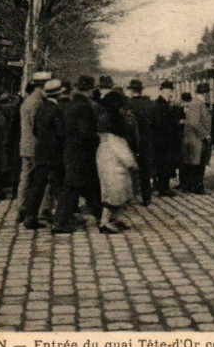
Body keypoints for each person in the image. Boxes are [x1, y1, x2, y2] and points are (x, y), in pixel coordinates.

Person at [57, 75, 102, 233]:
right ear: (89, 90)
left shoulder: (69, 105)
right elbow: (85, 132)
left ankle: (102, 218)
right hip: (81, 153)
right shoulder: (84, 106)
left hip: (70, 150)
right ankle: (60, 223)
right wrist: (96, 139)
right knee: (75, 187)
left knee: (82, 187)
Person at [20, 79, 66, 231]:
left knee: (37, 186)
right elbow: (61, 132)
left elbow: (34, 131)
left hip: (41, 153)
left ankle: (30, 217)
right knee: (60, 185)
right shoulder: (56, 110)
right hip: (54, 154)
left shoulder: (41, 109)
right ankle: (60, 220)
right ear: (58, 94)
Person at [96, 77, 138, 234]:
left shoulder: (104, 127)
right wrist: (132, 163)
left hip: (110, 161)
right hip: (113, 164)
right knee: (114, 192)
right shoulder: (114, 133)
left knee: (121, 191)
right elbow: (121, 149)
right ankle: (104, 222)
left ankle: (117, 217)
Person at [16, 71, 53, 224]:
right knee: (43, 179)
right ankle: (44, 209)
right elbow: (37, 128)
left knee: (26, 178)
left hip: (26, 145)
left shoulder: (28, 101)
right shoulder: (37, 103)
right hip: (36, 147)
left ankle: (22, 208)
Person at [127, 79, 155, 206]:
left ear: (131, 91)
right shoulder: (149, 104)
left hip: (132, 141)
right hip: (148, 140)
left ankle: (130, 196)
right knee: (145, 170)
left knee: (130, 169)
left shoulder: (128, 104)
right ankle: (146, 197)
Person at [182, 83, 212, 194]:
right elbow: (194, 122)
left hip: (196, 139)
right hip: (197, 139)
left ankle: (192, 186)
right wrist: (205, 134)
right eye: (208, 92)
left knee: (196, 164)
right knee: (197, 164)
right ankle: (197, 187)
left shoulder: (198, 103)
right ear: (204, 93)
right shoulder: (196, 103)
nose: (208, 95)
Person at [152, 81, 179, 197]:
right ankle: (164, 188)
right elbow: (161, 123)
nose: (171, 93)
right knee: (164, 164)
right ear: (163, 91)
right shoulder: (161, 104)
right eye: (169, 90)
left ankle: (161, 186)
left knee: (163, 164)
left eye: (171, 90)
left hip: (161, 139)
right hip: (164, 140)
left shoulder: (161, 103)